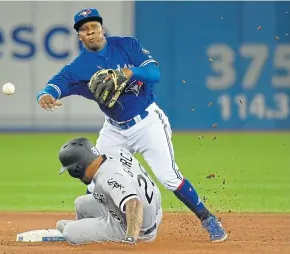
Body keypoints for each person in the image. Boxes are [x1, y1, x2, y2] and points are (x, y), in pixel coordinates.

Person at [37, 8, 227, 242]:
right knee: (96, 179)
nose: (91, 32)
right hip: (114, 129)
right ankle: (88, 228)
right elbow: (57, 84)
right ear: (79, 36)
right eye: (84, 29)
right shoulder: (79, 68)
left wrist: (129, 72)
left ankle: (208, 219)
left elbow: (154, 72)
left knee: (169, 176)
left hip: (147, 122)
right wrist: (45, 95)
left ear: (102, 29)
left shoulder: (127, 46)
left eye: (94, 27)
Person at [56, 137, 163, 245]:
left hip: (137, 228)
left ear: (77, 168)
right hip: (154, 212)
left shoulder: (107, 177)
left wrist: (130, 238)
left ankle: (88, 234)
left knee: (69, 232)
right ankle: (88, 229)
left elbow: (134, 203)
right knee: (81, 203)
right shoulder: (114, 152)